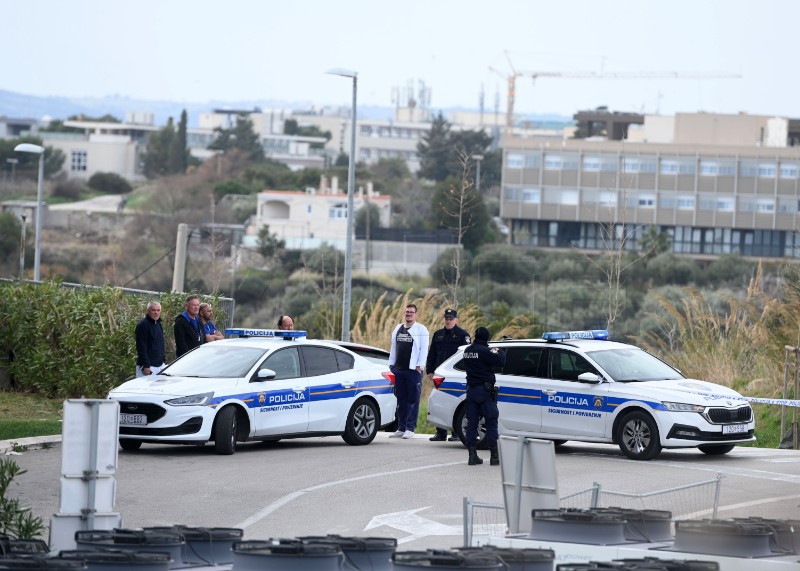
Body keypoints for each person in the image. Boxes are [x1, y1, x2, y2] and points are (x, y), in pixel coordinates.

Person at [463, 327, 506, 466]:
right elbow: (501, 360)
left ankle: (472, 455)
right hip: (485, 392)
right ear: (486, 337)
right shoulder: (485, 351)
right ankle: (494, 456)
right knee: (491, 422)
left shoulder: (467, 351)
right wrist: (499, 349)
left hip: (471, 392)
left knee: (472, 424)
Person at [426, 308, 470, 442]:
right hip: (440, 374)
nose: (448, 321)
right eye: (447, 318)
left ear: (456, 320)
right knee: (440, 402)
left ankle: (456, 433)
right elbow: (432, 353)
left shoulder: (463, 335)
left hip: (455, 375)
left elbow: (467, 356)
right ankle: (441, 432)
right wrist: (429, 370)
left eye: (451, 319)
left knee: (454, 402)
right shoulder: (438, 334)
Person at [388, 303, 429, 439]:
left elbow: (424, 349)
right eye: (407, 312)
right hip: (399, 369)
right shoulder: (398, 328)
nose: (409, 314)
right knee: (401, 400)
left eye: (411, 312)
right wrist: (391, 365)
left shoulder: (421, 329)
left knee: (413, 400)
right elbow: (393, 347)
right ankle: (401, 427)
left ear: (416, 314)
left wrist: (420, 365)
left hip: (413, 371)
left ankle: (410, 428)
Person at [135, 301, 166, 377]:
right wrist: (146, 365)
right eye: (153, 310)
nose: (156, 312)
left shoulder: (159, 324)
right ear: (148, 311)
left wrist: (163, 361)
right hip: (148, 367)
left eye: (158, 310)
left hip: (160, 366)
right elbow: (141, 347)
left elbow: (160, 344)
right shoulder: (142, 325)